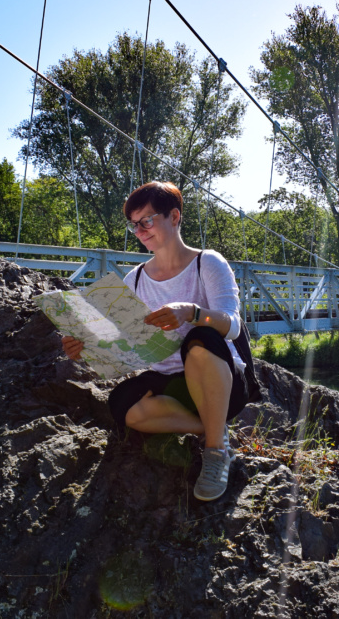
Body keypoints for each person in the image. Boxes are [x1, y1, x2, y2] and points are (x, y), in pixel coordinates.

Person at [61, 181, 248, 501]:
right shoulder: (134, 279)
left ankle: (216, 451)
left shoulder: (208, 263)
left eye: (146, 220)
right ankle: (211, 426)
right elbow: (124, 342)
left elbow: (233, 326)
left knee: (199, 339)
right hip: (168, 381)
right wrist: (85, 346)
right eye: (134, 224)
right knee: (123, 407)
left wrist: (193, 312)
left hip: (219, 379)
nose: (140, 230)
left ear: (174, 217)